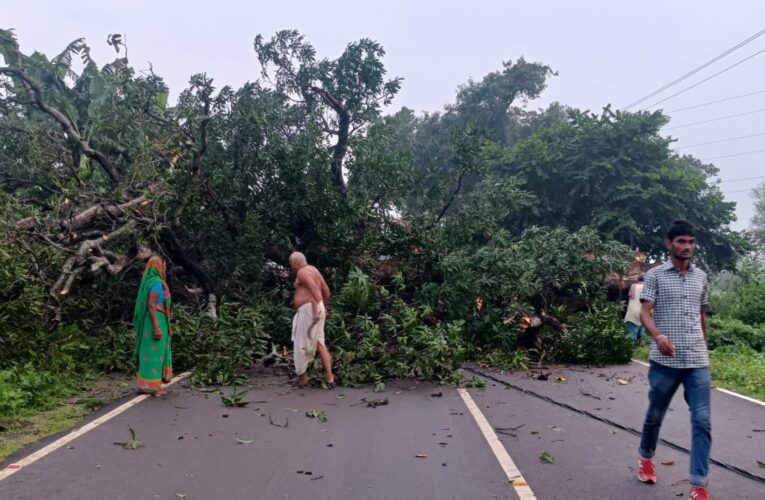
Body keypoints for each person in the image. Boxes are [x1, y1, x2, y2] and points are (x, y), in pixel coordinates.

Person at [637, 220, 711, 500]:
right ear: (669, 244)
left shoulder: (701, 276)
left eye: (691, 242)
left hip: (697, 360)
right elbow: (645, 311)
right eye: (681, 241)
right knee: (655, 414)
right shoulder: (655, 275)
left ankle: (699, 484)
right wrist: (657, 336)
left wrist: (704, 346)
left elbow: (701, 315)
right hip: (664, 361)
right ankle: (646, 457)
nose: (687, 247)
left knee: (702, 421)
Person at [289, 252, 334, 388]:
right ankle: (330, 378)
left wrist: (318, 307)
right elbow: (326, 290)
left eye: (291, 265)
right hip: (316, 309)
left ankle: (303, 378)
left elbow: (314, 288)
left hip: (310, 311)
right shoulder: (314, 270)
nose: (292, 268)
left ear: (295, 263)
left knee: (300, 343)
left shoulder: (302, 272)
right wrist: (322, 306)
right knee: (320, 342)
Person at [133, 255, 173, 396]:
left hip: (148, 323)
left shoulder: (147, 282)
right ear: (158, 267)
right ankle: (153, 388)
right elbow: (151, 305)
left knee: (147, 353)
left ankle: (144, 385)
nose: (165, 268)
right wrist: (156, 327)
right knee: (155, 354)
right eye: (164, 265)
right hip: (155, 321)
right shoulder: (156, 283)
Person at [624, 274, 646, 345]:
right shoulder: (647, 287)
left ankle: (631, 346)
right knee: (642, 326)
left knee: (631, 331)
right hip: (643, 312)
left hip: (632, 311)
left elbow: (629, 296)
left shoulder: (633, 286)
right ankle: (641, 342)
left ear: (638, 279)